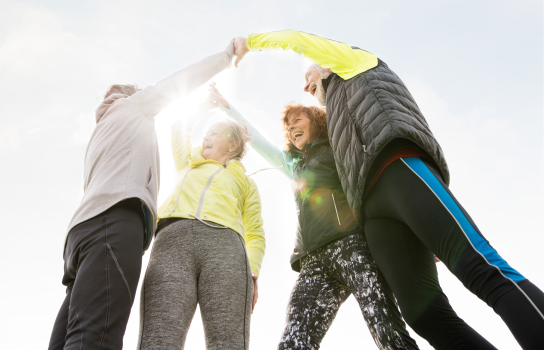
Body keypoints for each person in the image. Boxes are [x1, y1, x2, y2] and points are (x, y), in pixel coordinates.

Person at [233, 30, 544, 350]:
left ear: (325, 64)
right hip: (372, 210)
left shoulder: (352, 63)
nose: (305, 84)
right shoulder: (334, 125)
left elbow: (298, 40)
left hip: (397, 168)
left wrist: (251, 42)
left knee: (479, 268)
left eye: (308, 73)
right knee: (423, 315)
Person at [48, 38, 246, 350]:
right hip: (112, 228)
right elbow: (180, 81)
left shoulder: (101, 131)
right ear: (131, 94)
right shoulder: (131, 106)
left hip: (78, 238)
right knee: (93, 338)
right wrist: (227, 55)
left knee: (67, 339)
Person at [209, 84, 418, 350]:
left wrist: (415, 232)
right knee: (294, 341)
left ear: (316, 121)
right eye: (288, 125)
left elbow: (380, 188)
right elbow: (257, 139)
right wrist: (226, 106)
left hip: (352, 247)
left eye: (298, 119)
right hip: (313, 262)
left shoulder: (337, 148)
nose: (291, 127)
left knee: (386, 328)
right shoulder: (293, 165)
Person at [137, 96, 265, 350]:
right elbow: (179, 127)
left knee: (227, 343)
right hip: (173, 244)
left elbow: (255, 232)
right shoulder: (188, 162)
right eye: (206, 132)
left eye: (215, 133)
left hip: (226, 252)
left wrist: (253, 270)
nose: (205, 137)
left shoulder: (247, 183)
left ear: (234, 144)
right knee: (159, 337)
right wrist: (206, 105)